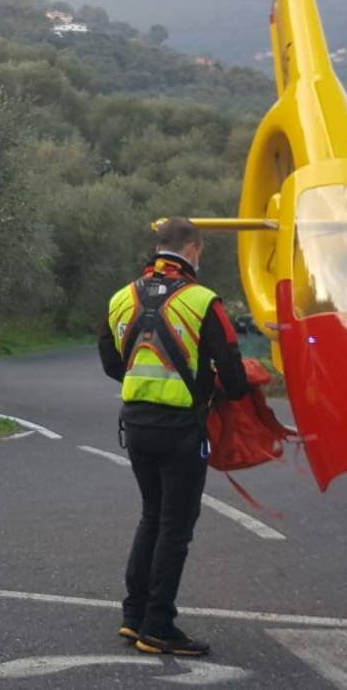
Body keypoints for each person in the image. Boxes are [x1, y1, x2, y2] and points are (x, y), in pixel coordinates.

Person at [97, 216, 248, 657]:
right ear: (195, 248)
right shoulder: (204, 301)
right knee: (175, 528)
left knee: (152, 516)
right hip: (182, 430)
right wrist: (207, 385)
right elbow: (235, 380)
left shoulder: (121, 298)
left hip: (137, 427)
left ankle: (134, 615)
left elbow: (111, 363)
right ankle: (158, 625)